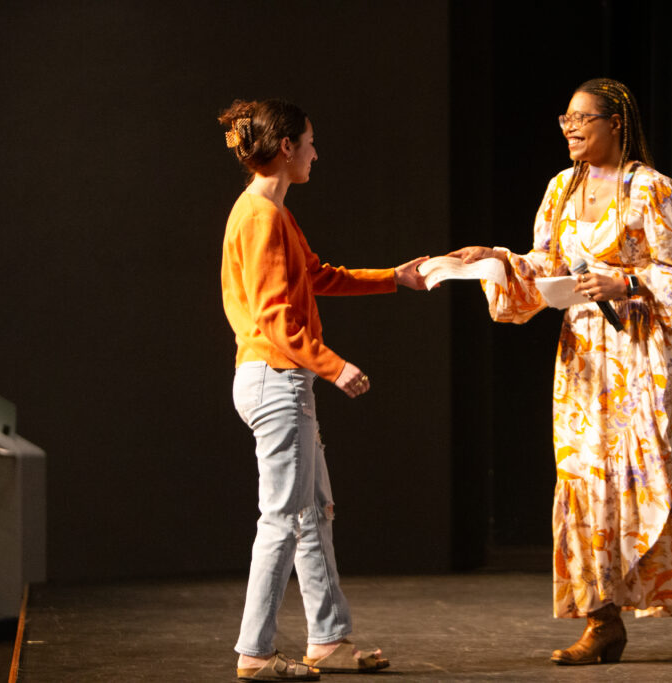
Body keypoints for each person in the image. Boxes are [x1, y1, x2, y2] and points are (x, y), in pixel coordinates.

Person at [449, 78, 672, 664]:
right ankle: (602, 621)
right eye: (565, 119)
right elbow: (544, 266)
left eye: (583, 118)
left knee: (658, 471)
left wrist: (627, 281)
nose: (570, 128)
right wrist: (499, 261)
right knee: (584, 480)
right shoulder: (561, 189)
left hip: (644, 354)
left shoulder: (653, 191)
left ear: (617, 123)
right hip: (585, 360)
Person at [218, 98, 426, 681]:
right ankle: (255, 652)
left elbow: (317, 276)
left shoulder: (274, 213)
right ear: (286, 148)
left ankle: (328, 639)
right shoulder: (259, 216)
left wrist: (396, 277)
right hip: (275, 377)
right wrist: (335, 367)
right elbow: (275, 315)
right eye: (309, 141)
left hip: (284, 377)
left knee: (312, 514)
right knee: (283, 518)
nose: (315, 151)